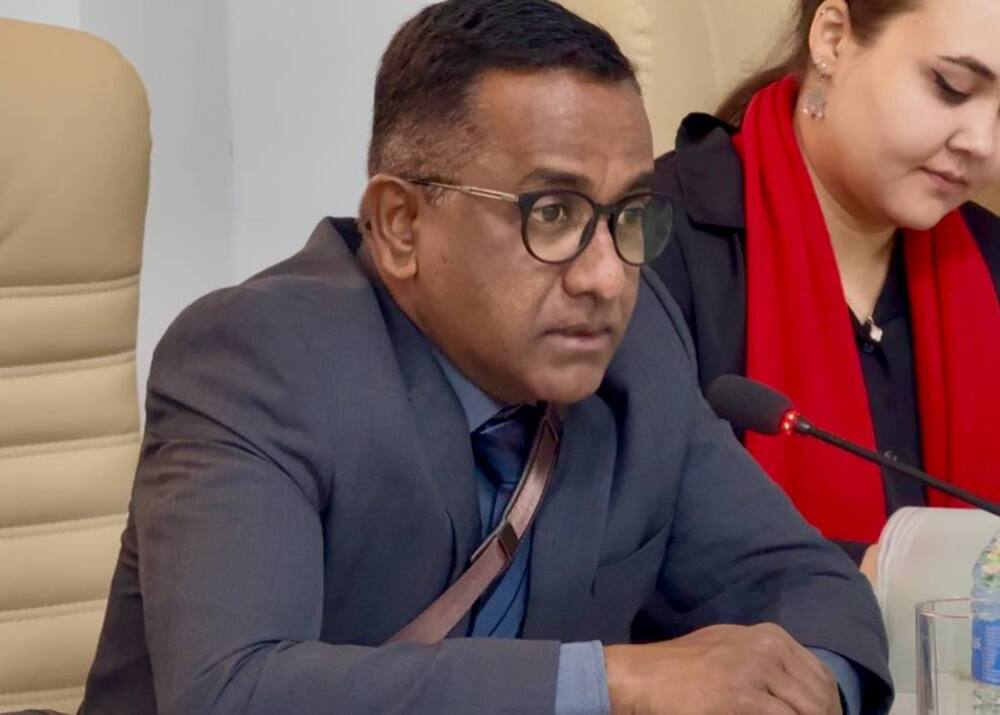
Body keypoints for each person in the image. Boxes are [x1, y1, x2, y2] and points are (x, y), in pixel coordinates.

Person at [78, 2, 891, 714]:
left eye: (630, 214)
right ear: (401, 226)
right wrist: (615, 683)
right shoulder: (258, 360)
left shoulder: (638, 351)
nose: (607, 277)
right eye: (554, 212)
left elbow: (817, 591)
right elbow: (232, 691)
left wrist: (800, 691)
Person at [651, 0, 1000, 568]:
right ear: (834, 38)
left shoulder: (987, 263)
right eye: (951, 88)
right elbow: (634, 549)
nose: (982, 142)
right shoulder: (657, 242)